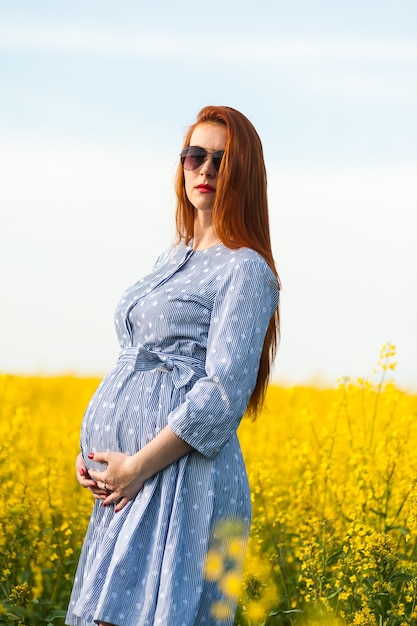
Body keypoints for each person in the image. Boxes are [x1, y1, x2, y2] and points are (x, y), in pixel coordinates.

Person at [66, 105, 280, 626]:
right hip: (131, 481)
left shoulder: (246, 268)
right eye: (195, 156)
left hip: (177, 479)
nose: (204, 170)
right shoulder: (172, 256)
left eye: (221, 161)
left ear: (243, 175)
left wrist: (137, 466)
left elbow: (224, 394)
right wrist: (93, 456)